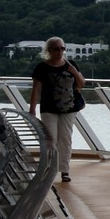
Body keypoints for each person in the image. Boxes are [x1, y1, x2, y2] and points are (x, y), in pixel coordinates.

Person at [28, 38, 85, 184]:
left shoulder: (71, 65)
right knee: (50, 139)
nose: (60, 51)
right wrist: (32, 109)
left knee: (65, 138)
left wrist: (74, 72)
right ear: (49, 51)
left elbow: (81, 84)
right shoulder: (42, 67)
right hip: (49, 108)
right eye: (56, 49)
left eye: (62, 48)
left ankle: (65, 170)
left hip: (69, 108)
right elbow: (36, 89)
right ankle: (50, 169)